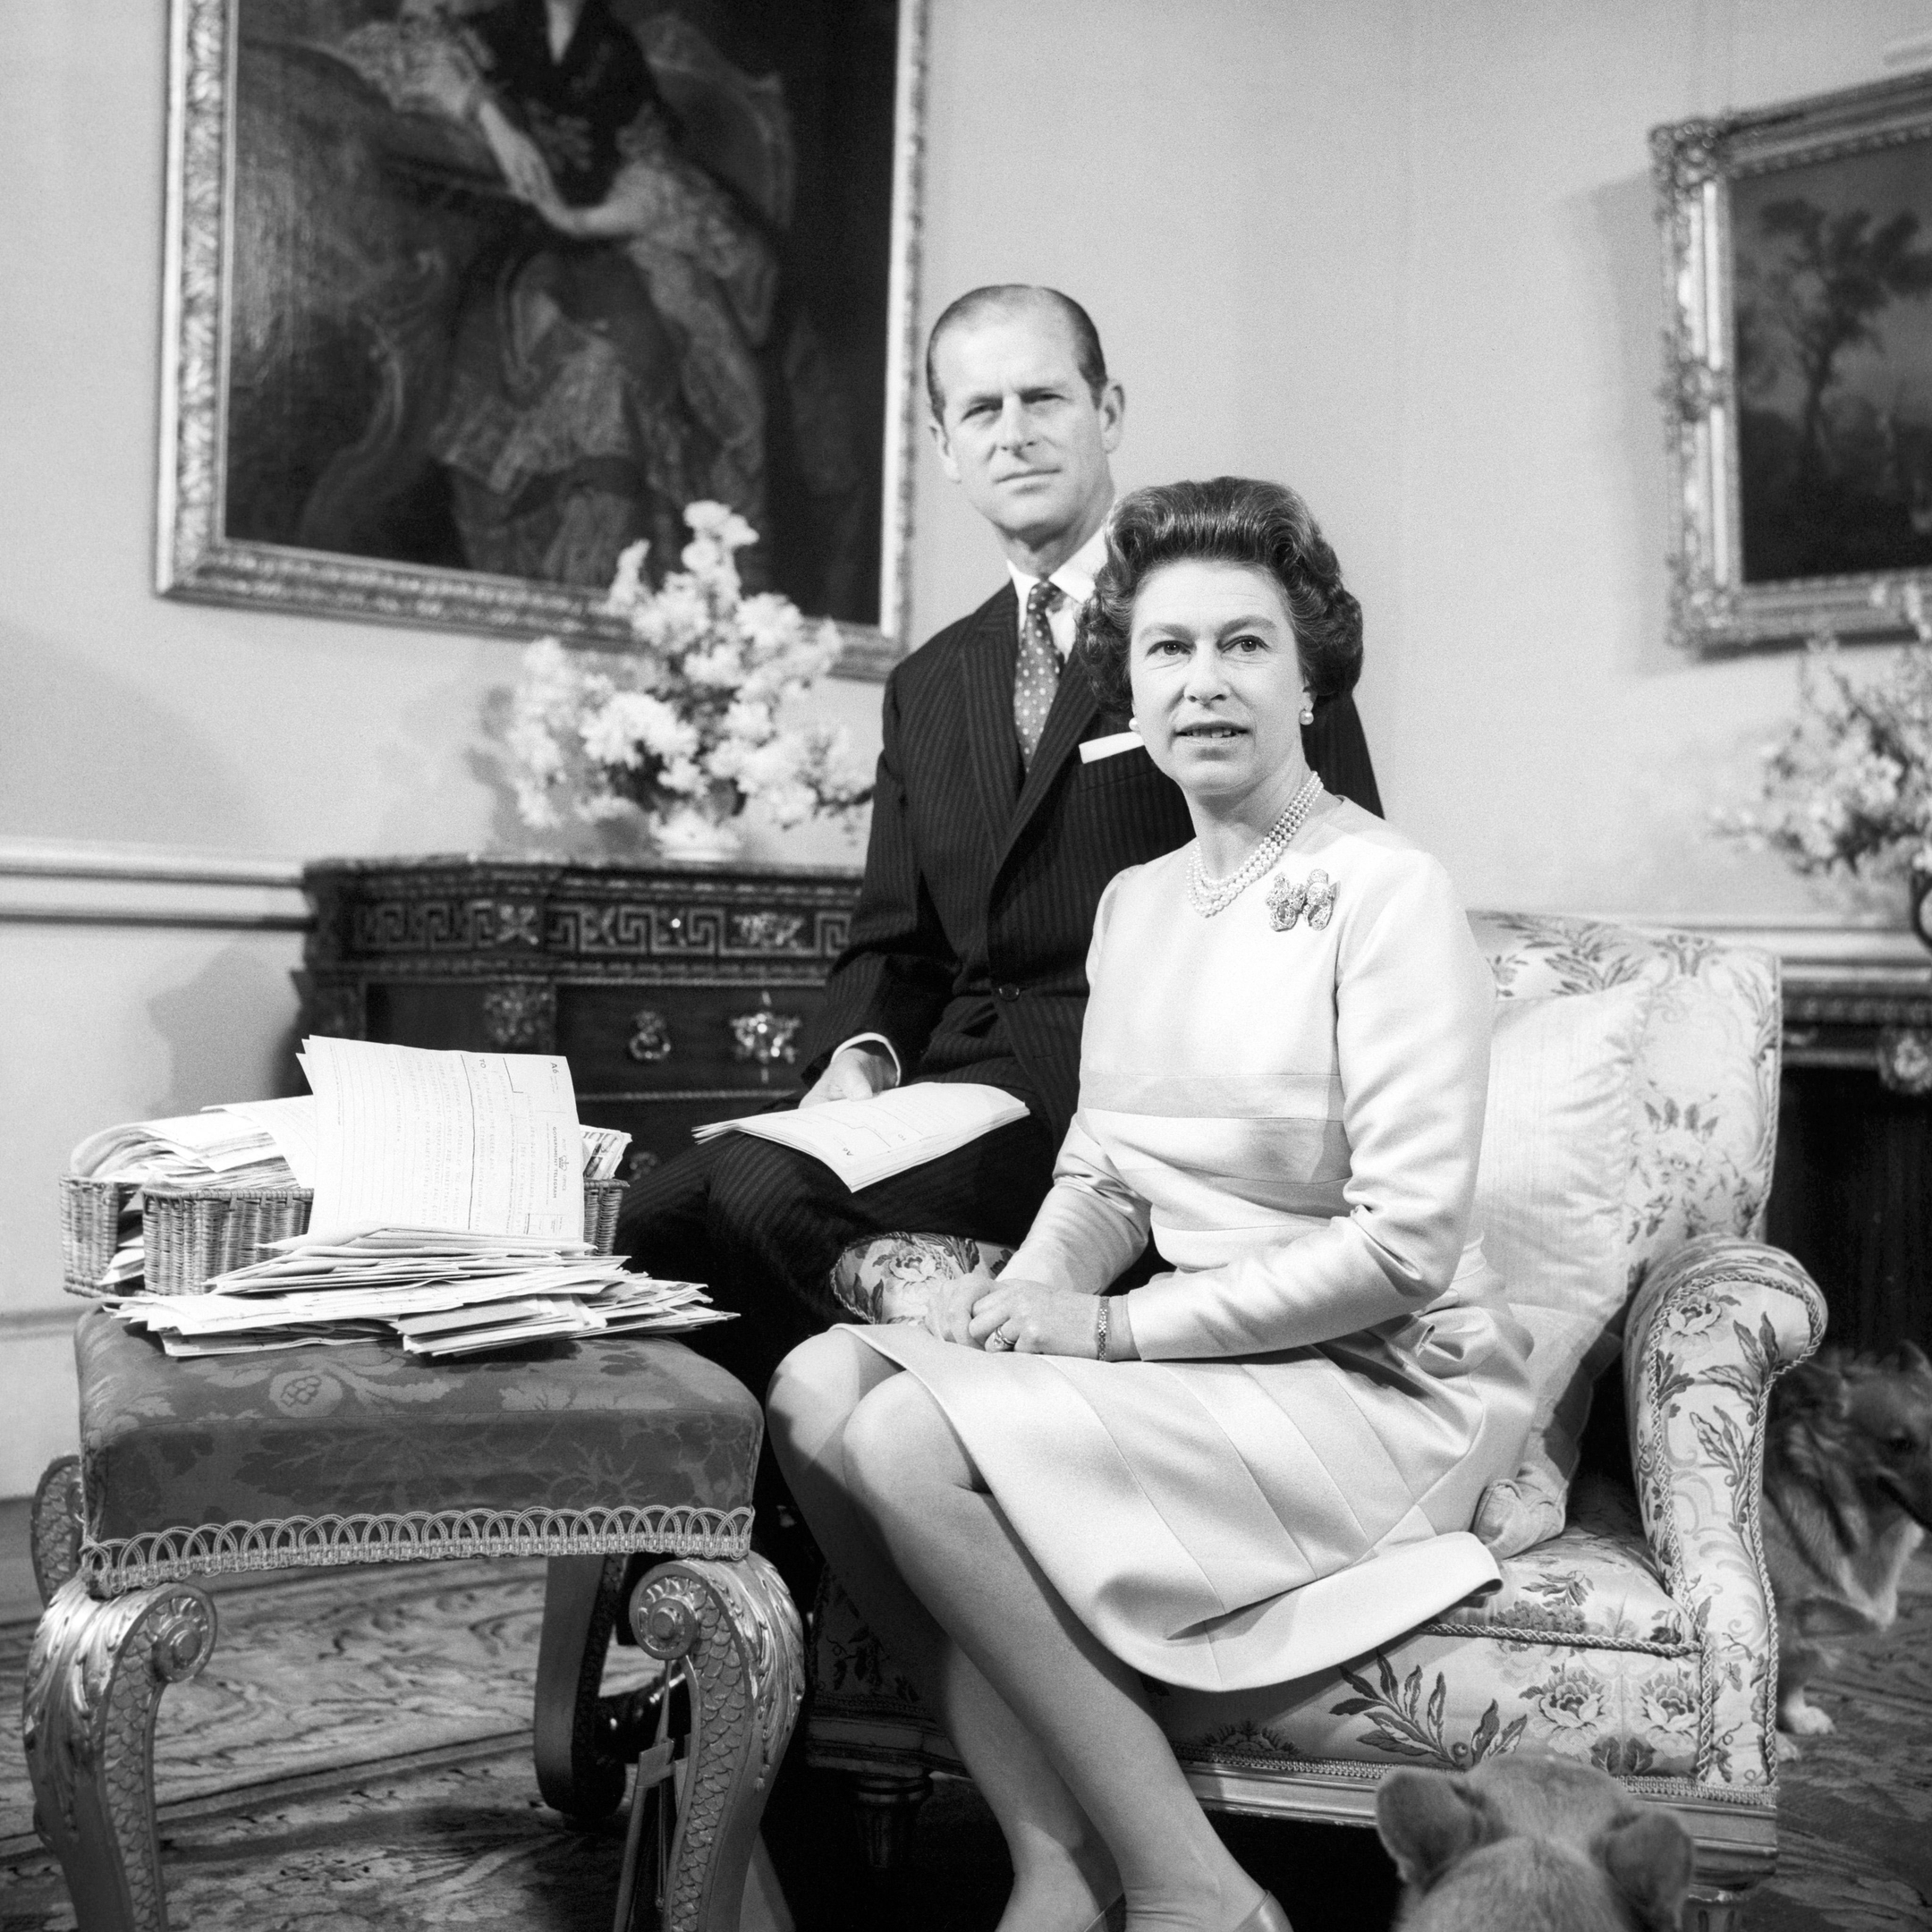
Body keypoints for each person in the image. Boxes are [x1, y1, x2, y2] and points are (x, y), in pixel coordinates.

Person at [764, 477, 1536, 1932]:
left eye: (1244, 645)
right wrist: (1025, 1299)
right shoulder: (1139, 902)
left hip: (1374, 1373)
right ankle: (1059, 1848)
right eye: (1170, 649)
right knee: (812, 1390)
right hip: (1203, 1355)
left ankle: (1194, 1889)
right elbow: (1106, 1170)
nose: (1204, 682)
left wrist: (1103, 1340)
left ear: (1313, 677)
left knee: (902, 1433)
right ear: (1131, 682)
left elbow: (1403, 1245)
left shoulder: (1389, 893)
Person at [616, 287, 1382, 1407]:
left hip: (1125, 1094)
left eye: (1043, 397)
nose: (1012, 431)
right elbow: (895, 942)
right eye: (980, 411)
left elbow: (1328, 848)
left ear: (1107, 409)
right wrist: (856, 1064)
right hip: (956, 1084)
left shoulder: (1209, 623)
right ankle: (756, 1532)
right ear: (944, 447)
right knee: (641, 1218)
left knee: (754, 1192)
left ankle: (967, 1381)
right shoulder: (928, 683)